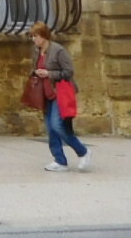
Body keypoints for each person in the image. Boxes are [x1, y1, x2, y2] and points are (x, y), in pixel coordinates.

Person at [29, 21, 87, 172]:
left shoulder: (58, 50)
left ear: (43, 36)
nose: (33, 39)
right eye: (32, 36)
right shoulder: (37, 51)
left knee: (57, 125)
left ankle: (83, 151)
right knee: (50, 128)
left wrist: (49, 73)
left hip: (59, 93)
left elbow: (68, 72)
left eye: (35, 36)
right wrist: (36, 73)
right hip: (45, 93)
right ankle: (60, 160)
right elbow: (34, 68)